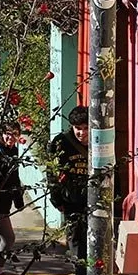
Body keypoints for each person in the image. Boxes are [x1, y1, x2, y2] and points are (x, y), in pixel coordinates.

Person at [49, 106, 88, 261]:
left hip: (94, 196)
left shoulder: (100, 140)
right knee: (76, 237)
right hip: (70, 198)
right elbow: (52, 172)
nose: (82, 133)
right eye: (78, 128)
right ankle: (81, 274)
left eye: (86, 128)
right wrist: (56, 199)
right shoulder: (61, 142)